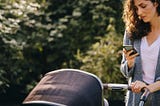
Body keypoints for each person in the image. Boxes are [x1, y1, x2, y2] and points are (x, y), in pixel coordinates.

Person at [121, 0, 160, 106]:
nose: (139, 12)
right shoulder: (132, 31)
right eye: (136, 8)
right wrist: (130, 63)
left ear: (156, 3)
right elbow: (125, 71)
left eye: (143, 6)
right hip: (135, 101)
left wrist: (150, 87)